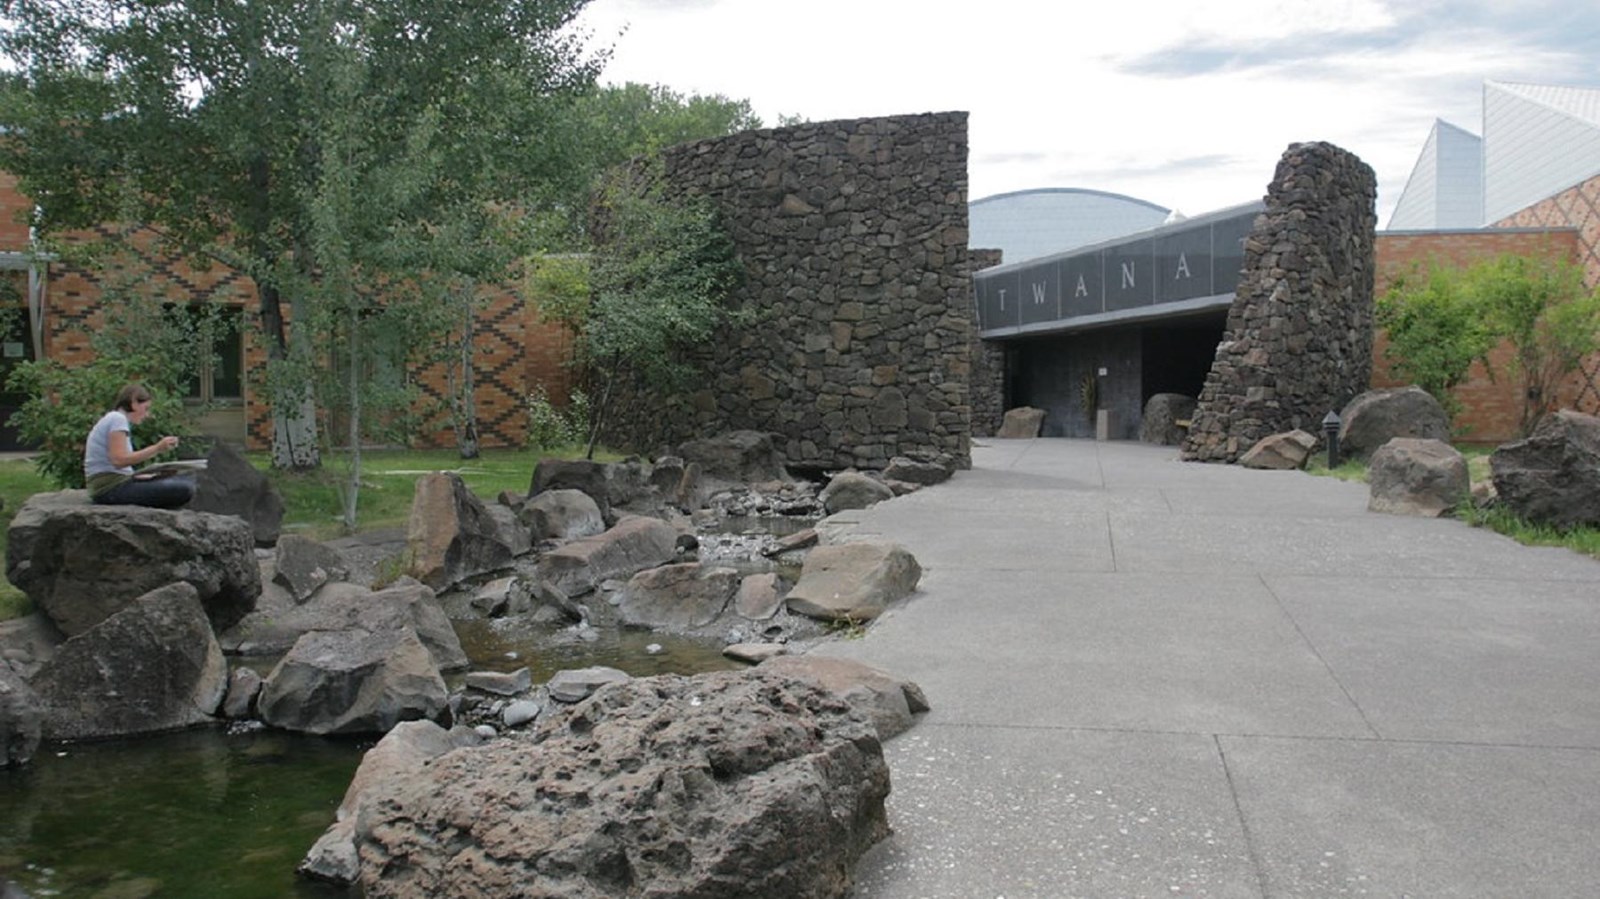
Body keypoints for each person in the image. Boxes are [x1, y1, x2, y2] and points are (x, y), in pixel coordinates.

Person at [83, 383, 196, 508]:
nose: (147, 414)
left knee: (183, 481)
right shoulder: (117, 419)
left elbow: (118, 465)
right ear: (134, 403)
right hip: (108, 488)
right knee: (184, 489)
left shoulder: (115, 419)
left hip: (115, 483)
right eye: (146, 408)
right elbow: (118, 460)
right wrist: (157, 448)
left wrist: (147, 476)